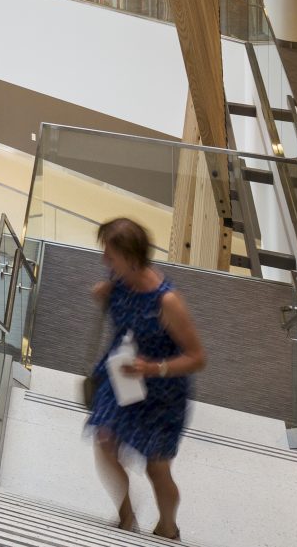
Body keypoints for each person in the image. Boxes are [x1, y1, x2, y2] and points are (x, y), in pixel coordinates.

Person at [88, 216, 206, 541]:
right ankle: (126, 515)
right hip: (123, 376)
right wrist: (107, 292)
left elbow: (197, 358)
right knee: (105, 439)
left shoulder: (167, 301)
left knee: (157, 469)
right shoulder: (119, 279)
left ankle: (168, 527)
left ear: (130, 256)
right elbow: (120, 303)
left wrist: (153, 369)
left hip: (162, 393)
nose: (104, 260)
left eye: (110, 255)